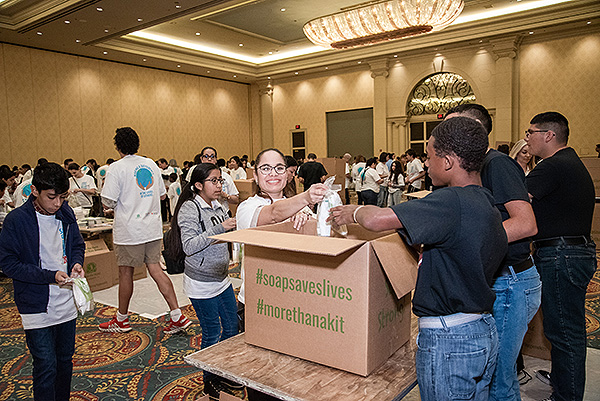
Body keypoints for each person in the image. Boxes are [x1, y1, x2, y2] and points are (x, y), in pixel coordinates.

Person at [329, 117, 507, 401]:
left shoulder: (452, 201)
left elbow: (377, 220)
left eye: (429, 156)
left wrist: (352, 212)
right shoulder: (485, 200)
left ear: (447, 161)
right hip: (481, 329)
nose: (425, 164)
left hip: (450, 339)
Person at [446, 103, 541, 401]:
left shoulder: (496, 164)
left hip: (511, 282)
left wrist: (471, 239)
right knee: (488, 374)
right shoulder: (471, 169)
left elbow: (526, 224)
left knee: (500, 379)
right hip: (494, 280)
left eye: (450, 128)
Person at [236, 148, 326, 401]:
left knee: (293, 377)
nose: (272, 174)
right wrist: (305, 199)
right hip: (259, 304)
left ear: (288, 174)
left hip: (295, 305)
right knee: (261, 376)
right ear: (255, 175)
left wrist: (305, 212)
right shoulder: (248, 206)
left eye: (278, 168)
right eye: (265, 168)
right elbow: (273, 215)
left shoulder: (302, 209)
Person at [525, 111, 596, 401]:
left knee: (564, 333)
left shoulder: (551, 166)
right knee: (568, 329)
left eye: (531, 132)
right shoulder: (571, 162)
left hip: (561, 255)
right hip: (573, 253)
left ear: (549, 135)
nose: (527, 138)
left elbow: (517, 200)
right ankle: (564, 379)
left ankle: (566, 395)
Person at [0, 162, 85, 401]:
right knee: (46, 365)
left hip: (65, 301)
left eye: (62, 197)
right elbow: (9, 264)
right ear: (35, 191)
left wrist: (76, 262)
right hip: (35, 304)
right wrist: (49, 276)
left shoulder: (65, 213)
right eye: (52, 197)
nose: (57, 203)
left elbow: (77, 244)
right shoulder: (17, 220)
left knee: (65, 362)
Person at [98, 127, 191, 334]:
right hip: (151, 228)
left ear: (117, 146)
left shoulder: (116, 168)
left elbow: (107, 200)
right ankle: (177, 314)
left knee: (125, 274)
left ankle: (121, 319)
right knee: (156, 269)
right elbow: (162, 196)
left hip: (129, 230)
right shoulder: (150, 164)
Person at [173, 163, 239, 399]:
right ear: (198, 185)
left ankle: (224, 373)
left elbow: (227, 233)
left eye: (220, 180)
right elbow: (189, 246)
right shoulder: (190, 209)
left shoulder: (220, 205)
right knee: (211, 333)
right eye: (214, 181)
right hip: (200, 281)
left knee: (232, 327)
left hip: (222, 277)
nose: (219, 185)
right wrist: (221, 228)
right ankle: (209, 382)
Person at [186, 147, 240, 214]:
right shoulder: (194, 172)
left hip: (222, 213)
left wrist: (225, 195)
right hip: (201, 214)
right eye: (206, 156)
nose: (209, 159)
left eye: (212, 156)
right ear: (201, 159)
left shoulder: (226, 176)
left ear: (216, 159)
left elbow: (236, 200)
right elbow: (188, 194)